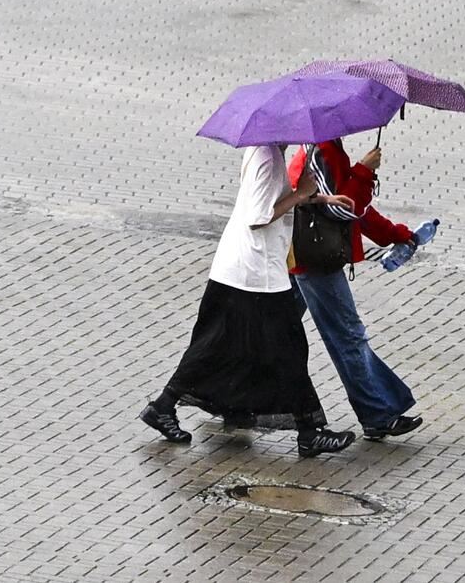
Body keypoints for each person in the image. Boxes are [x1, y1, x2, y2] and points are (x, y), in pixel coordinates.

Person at [140, 144, 358, 458]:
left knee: (215, 347)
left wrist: (318, 198)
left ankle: (163, 406)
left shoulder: (266, 153)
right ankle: (309, 431)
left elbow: (262, 203)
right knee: (289, 349)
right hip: (255, 274)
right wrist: (300, 194)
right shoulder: (268, 159)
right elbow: (257, 217)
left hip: (243, 270)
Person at [288, 140, 424, 441]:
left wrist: (396, 234)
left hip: (304, 255)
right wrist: (364, 171)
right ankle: (377, 415)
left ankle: (227, 397)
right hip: (314, 260)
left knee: (275, 331)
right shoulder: (323, 149)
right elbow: (344, 209)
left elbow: (356, 206)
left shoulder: (328, 146)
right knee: (349, 336)